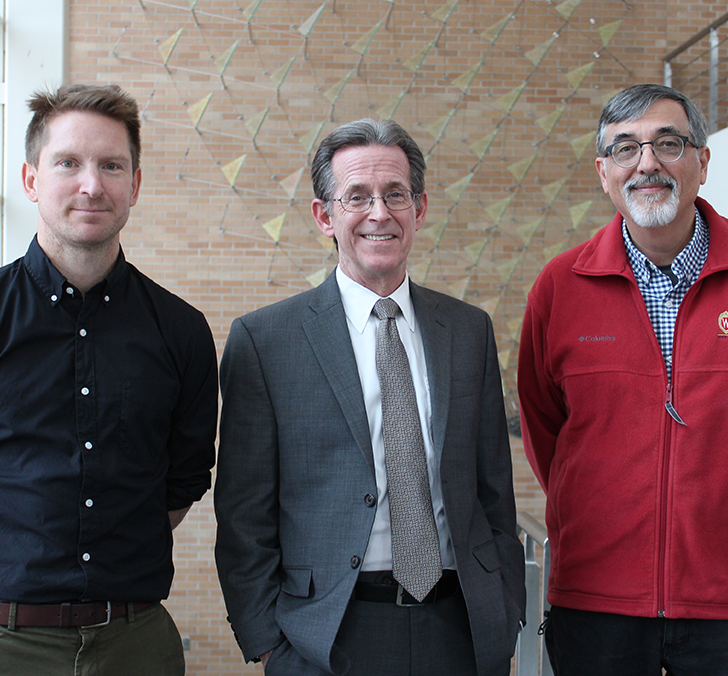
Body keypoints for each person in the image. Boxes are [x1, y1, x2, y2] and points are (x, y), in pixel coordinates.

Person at [0, 84, 218, 675]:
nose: (92, 184)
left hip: (133, 648)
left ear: (134, 185)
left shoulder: (182, 333)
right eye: (69, 163)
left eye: (111, 165)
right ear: (32, 180)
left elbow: (181, 480)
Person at [517, 84, 728, 675]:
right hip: (597, 601)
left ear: (702, 163)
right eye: (627, 148)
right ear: (605, 173)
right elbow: (546, 431)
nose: (648, 163)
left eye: (668, 143)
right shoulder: (559, 288)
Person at [214, 118, 526, 676]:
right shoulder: (266, 341)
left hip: (461, 630)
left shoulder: (468, 330)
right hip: (327, 635)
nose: (379, 213)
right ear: (324, 216)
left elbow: (492, 491)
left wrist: (506, 611)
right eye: (356, 196)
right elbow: (243, 514)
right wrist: (268, 642)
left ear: (419, 209)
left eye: (395, 195)